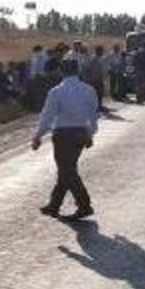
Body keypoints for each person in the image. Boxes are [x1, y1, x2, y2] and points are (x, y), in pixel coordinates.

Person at [33, 59, 99, 219]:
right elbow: (93, 115)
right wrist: (90, 134)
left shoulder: (56, 92)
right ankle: (54, 204)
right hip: (81, 133)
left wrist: (38, 136)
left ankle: (84, 204)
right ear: (78, 70)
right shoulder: (89, 90)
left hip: (63, 135)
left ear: (61, 71)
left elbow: (47, 116)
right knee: (67, 169)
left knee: (67, 170)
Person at [82, 45, 108, 113]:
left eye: (102, 50)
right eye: (100, 50)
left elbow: (103, 69)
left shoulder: (101, 59)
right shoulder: (92, 59)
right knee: (94, 94)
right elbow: (86, 68)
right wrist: (87, 78)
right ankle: (93, 107)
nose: (102, 52)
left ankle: (99, 106)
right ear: (97, 51)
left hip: (99, 80)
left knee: (100, 94)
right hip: (92, 80)